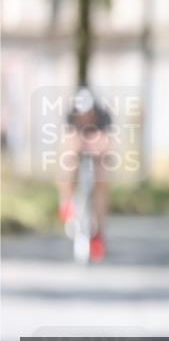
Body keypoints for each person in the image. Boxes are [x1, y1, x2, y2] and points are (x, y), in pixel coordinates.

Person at [57, 86, 112, 262]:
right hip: (79, 145)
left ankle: (99, 231)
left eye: (88, 113)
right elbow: (68, 138)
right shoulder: (71, 115)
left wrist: (99, 145)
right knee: (68, 158)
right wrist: (77, 145)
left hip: (96, 149)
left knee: (103, 177)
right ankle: (66, 201)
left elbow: (107, 141)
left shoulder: (103, 116)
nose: (85, 117)